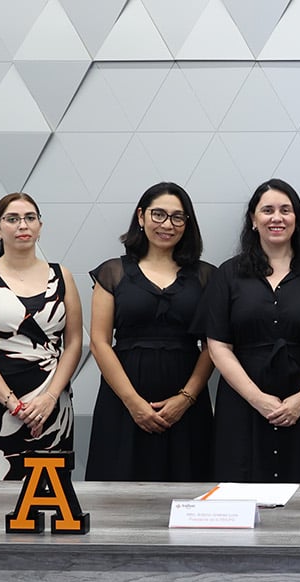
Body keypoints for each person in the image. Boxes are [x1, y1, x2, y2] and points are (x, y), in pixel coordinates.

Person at [197, 179, 300, 482]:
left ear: (297, 219)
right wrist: (257, 398)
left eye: (286, 210)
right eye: (268, 210)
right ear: (253, 220)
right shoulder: (228, 274)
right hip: (243, 402)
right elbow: (218, 345)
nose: (277, 217)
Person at [86, 182, 216, 481]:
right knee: (119, 496)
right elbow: (100, 342)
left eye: (177, 217)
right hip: (123, 401)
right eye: (158, 215)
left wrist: (185, 399)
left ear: (187, 224)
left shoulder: (207, 275)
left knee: (189, 491)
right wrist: (134, 403)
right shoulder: (112, 272)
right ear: (141, 217)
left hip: (186, 403)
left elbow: (213, 346)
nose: (167, 224)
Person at [0, 192, 82, 480]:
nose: (22, 225)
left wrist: (50, 398)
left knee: (52, 499)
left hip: (52, 406)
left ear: (40, 225)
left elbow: (74, 343)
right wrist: (15, 404)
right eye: (12, 219)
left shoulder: (62, 275)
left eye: (30, 218)